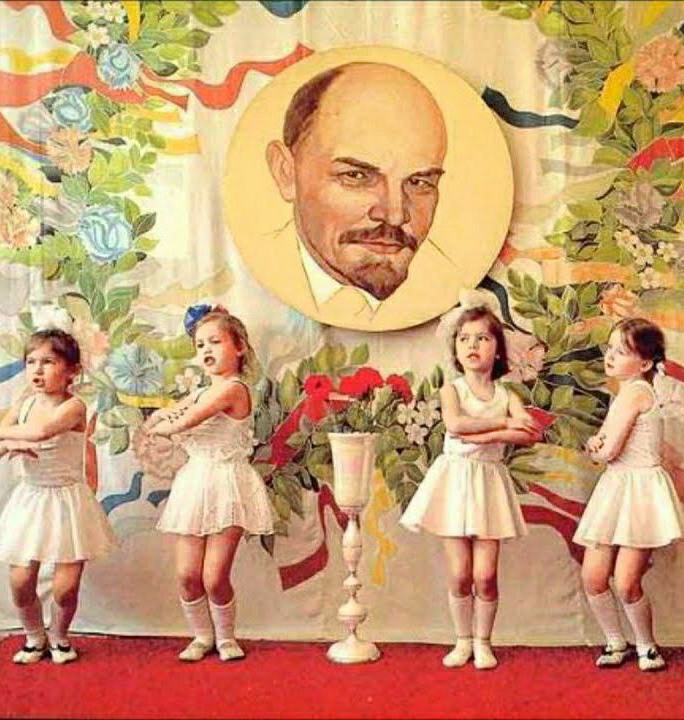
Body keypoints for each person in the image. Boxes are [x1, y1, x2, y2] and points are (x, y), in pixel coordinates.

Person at [400, 304, 542, 669]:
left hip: (488, 484)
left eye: (482, 338)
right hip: (455, 483)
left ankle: (483, 641)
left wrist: (496, 433)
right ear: (456, 349)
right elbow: (456, 425)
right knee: (460, 573)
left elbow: (530, 431)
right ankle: (462, 640)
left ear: (498, 349)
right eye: (464, 339)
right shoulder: (453, 389)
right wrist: (502, 427)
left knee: (485, 575)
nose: (472, 345)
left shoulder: (507, 395)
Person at [0, 326, 117, 665]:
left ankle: (59, 636)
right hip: (31, 499)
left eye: (48, 362)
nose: (37, 370)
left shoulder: (75, 407)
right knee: (20, 579)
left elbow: (41, 432)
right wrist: (6, 443)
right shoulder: (24, 405)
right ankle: (34, 637)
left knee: (65, 587)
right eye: (31, 362)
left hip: (68, 500)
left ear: (72, 371)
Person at [265, 62, 448, 317]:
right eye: (356, 176)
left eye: (419, 182)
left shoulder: (450, 291)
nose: (395, 215)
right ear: (286, 172)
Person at [149, 305, 274, 662]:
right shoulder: (203, 391)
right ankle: (202, 636)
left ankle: (226, 637)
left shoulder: (233, 389)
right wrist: (162, 420)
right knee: (187, 575)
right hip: (195, 482)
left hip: (227, 483)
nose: (206, 349)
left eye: (215, 342)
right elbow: (162, 417)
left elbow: (179, 421)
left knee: (214, 576)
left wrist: (166, 423)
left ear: (239, 348)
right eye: (200, 344)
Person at [574, 317, 684, 672]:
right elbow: (606, 443)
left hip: (640, 492)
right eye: (610, 348)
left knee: (626, 582)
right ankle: (616, 641)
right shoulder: (625, 393)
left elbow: (608, 449)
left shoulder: (638, 393)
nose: (610, 356)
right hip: (617, 488)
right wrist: (599, 445)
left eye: (621, 351)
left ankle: (646, 644)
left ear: (644, 364)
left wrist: (595, 447)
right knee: (593, 577)